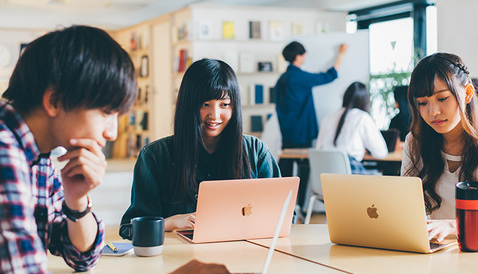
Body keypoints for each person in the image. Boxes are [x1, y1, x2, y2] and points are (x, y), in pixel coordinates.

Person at [0, 25, 137, 273]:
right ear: (54, 101)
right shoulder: (4, 148)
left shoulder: (38, 156)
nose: (112, 133)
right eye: (106, 112)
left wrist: (76, 200)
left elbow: (82, 259)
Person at [120, 58, 280, 234]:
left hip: (243, 253)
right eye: (205, 104)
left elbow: (285, 214)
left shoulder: (256, 151)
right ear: (189, 105)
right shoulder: (154, 156)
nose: (215, 115)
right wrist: (172, 222)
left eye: (224, 105)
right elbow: (130, 229)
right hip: (179, 258)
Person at [402, 52, 478, 242]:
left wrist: (454, 225)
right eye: (422, 103)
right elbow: (404, 207)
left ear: (468, 93)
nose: (433, 112)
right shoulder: (415, 142)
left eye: (442, 98)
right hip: (437, 255)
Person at [275, 41, 348, 209]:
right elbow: (328, 76)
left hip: (287, 131)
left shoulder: (282, 79)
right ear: (298, 57)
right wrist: (341, 54)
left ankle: (280, 206)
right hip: (302, 132)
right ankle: (298, 206)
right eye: (303, 54)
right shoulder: (298, 77)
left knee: (283, 171)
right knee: (304, 169)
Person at [316, 81, 387, 174]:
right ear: (365, 101)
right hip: (349, 179)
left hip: (324, 178)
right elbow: (381, 153)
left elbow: (318, 149)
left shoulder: (327, 118)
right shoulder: (362, 118)